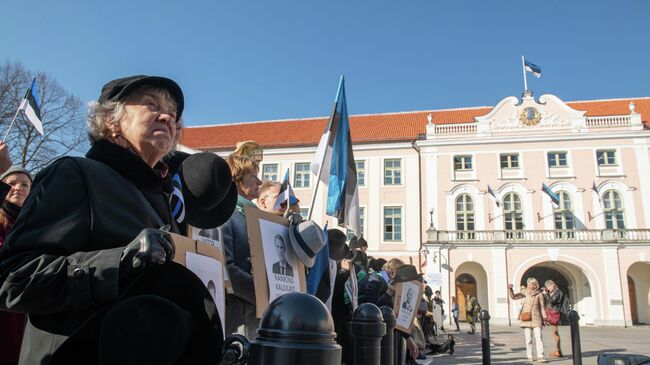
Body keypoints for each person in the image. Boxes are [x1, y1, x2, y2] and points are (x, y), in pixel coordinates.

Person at [0, 75, 224, 365]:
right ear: (111, 122)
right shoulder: (75, 174)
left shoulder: (163, 202)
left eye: (172, 112)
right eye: (151, 104)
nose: (167, 115)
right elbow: (12, 279)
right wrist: (117, 263)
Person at [221, 154, 262, 338]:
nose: (259, 181)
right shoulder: (225, 215)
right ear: (237, 178)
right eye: (253, 175)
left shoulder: (254, 217)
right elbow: (226, 268)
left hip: (259, 316)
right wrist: (263, 292)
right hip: (239, 320)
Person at [0, 166, 32, 365]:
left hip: (24, 317)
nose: (18, 188)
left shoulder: (36, 226)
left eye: (25, 184)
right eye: (11, 183)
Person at [509, 278, 547, 363]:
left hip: (537, 318)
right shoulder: (524, 292)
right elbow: (514, 297)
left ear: (535, 285)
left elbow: (542, 307)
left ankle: (541, 356)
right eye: (528, 284)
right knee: (528, 339)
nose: (529, 286)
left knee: (539, 338)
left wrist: (544, 318)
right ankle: (530, 356)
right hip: (526, 318)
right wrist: (511, 289)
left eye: (531, 284)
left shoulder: (539, 294)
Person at [543, 280, 564, 358]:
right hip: (553, 313)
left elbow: (551, 301)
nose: (547, 289)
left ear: (552, 285)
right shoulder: (555, 292)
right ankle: (557, 350)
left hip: (555, 313)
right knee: (554, 332)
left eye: (548, 287)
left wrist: (546, 295)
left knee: (555, 333)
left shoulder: (558, 292)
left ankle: (558, 351)